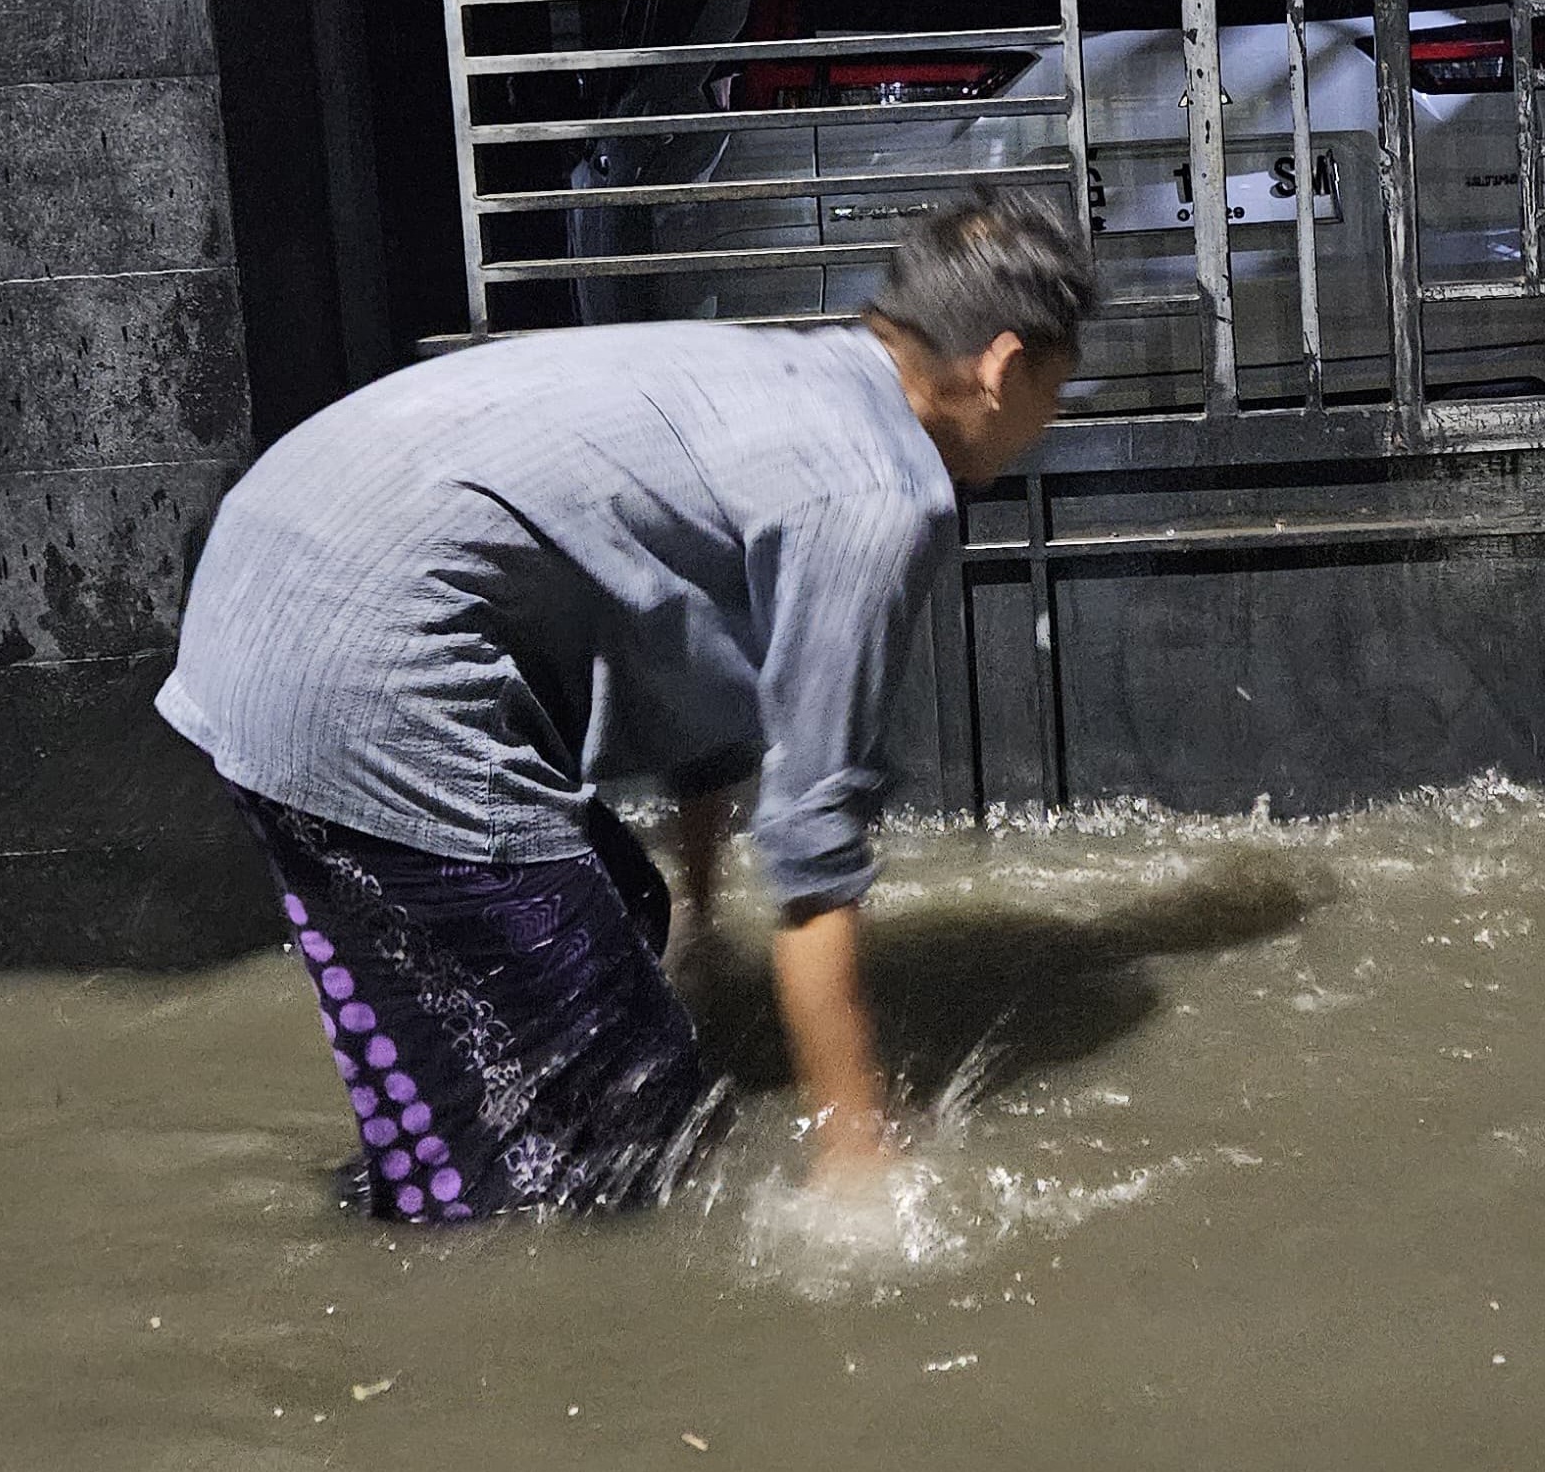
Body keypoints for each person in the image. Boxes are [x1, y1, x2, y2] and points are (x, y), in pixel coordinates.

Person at [156, 194, 1096, 1222]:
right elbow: (814, 846)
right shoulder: (877, 490)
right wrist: (852, 1144)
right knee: (624, 1121)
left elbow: (724, 694)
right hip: (357, 663)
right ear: (1002, 366)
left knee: (615, 928)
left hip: (265, 591)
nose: (1047, 421)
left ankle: (428, 1176)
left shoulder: (794, 374)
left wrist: (696, 922)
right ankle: (436, 1270)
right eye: (1056, 386)